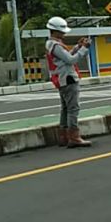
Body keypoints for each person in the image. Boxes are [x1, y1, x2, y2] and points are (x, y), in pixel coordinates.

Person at [45, 16, 91, 148]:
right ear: (55, 31)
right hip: (67, 78)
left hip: (62, 79)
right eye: (62, 31)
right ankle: (74, 137)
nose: (64, 33)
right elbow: (70, 60)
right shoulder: (55, 45)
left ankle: (63, 136)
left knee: (65, 108)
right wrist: (84, 49)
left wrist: (77, 47)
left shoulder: (52, 44)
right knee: (73, 108)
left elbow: (66, 57)